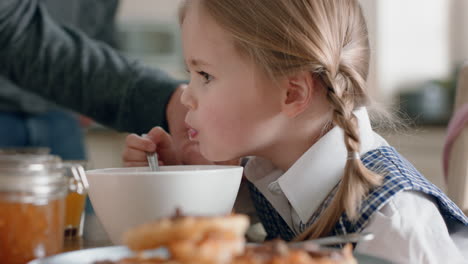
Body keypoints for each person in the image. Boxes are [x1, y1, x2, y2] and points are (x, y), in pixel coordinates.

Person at [122, 0, 468, 263]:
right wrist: (181, 182)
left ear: (292, 94)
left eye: (205, 76)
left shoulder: (392, 227)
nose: (185, 95)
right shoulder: (268, 173)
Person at [0, 0, 188, 141]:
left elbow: (102, 31)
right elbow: (15, 31)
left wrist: (95, 98)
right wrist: (164, 100)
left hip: (62, 112)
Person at [0, 0, 121, 161]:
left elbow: (103, 33)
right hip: (4, 109)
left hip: (61, 114)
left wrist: (96, 94)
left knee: (75, 183)